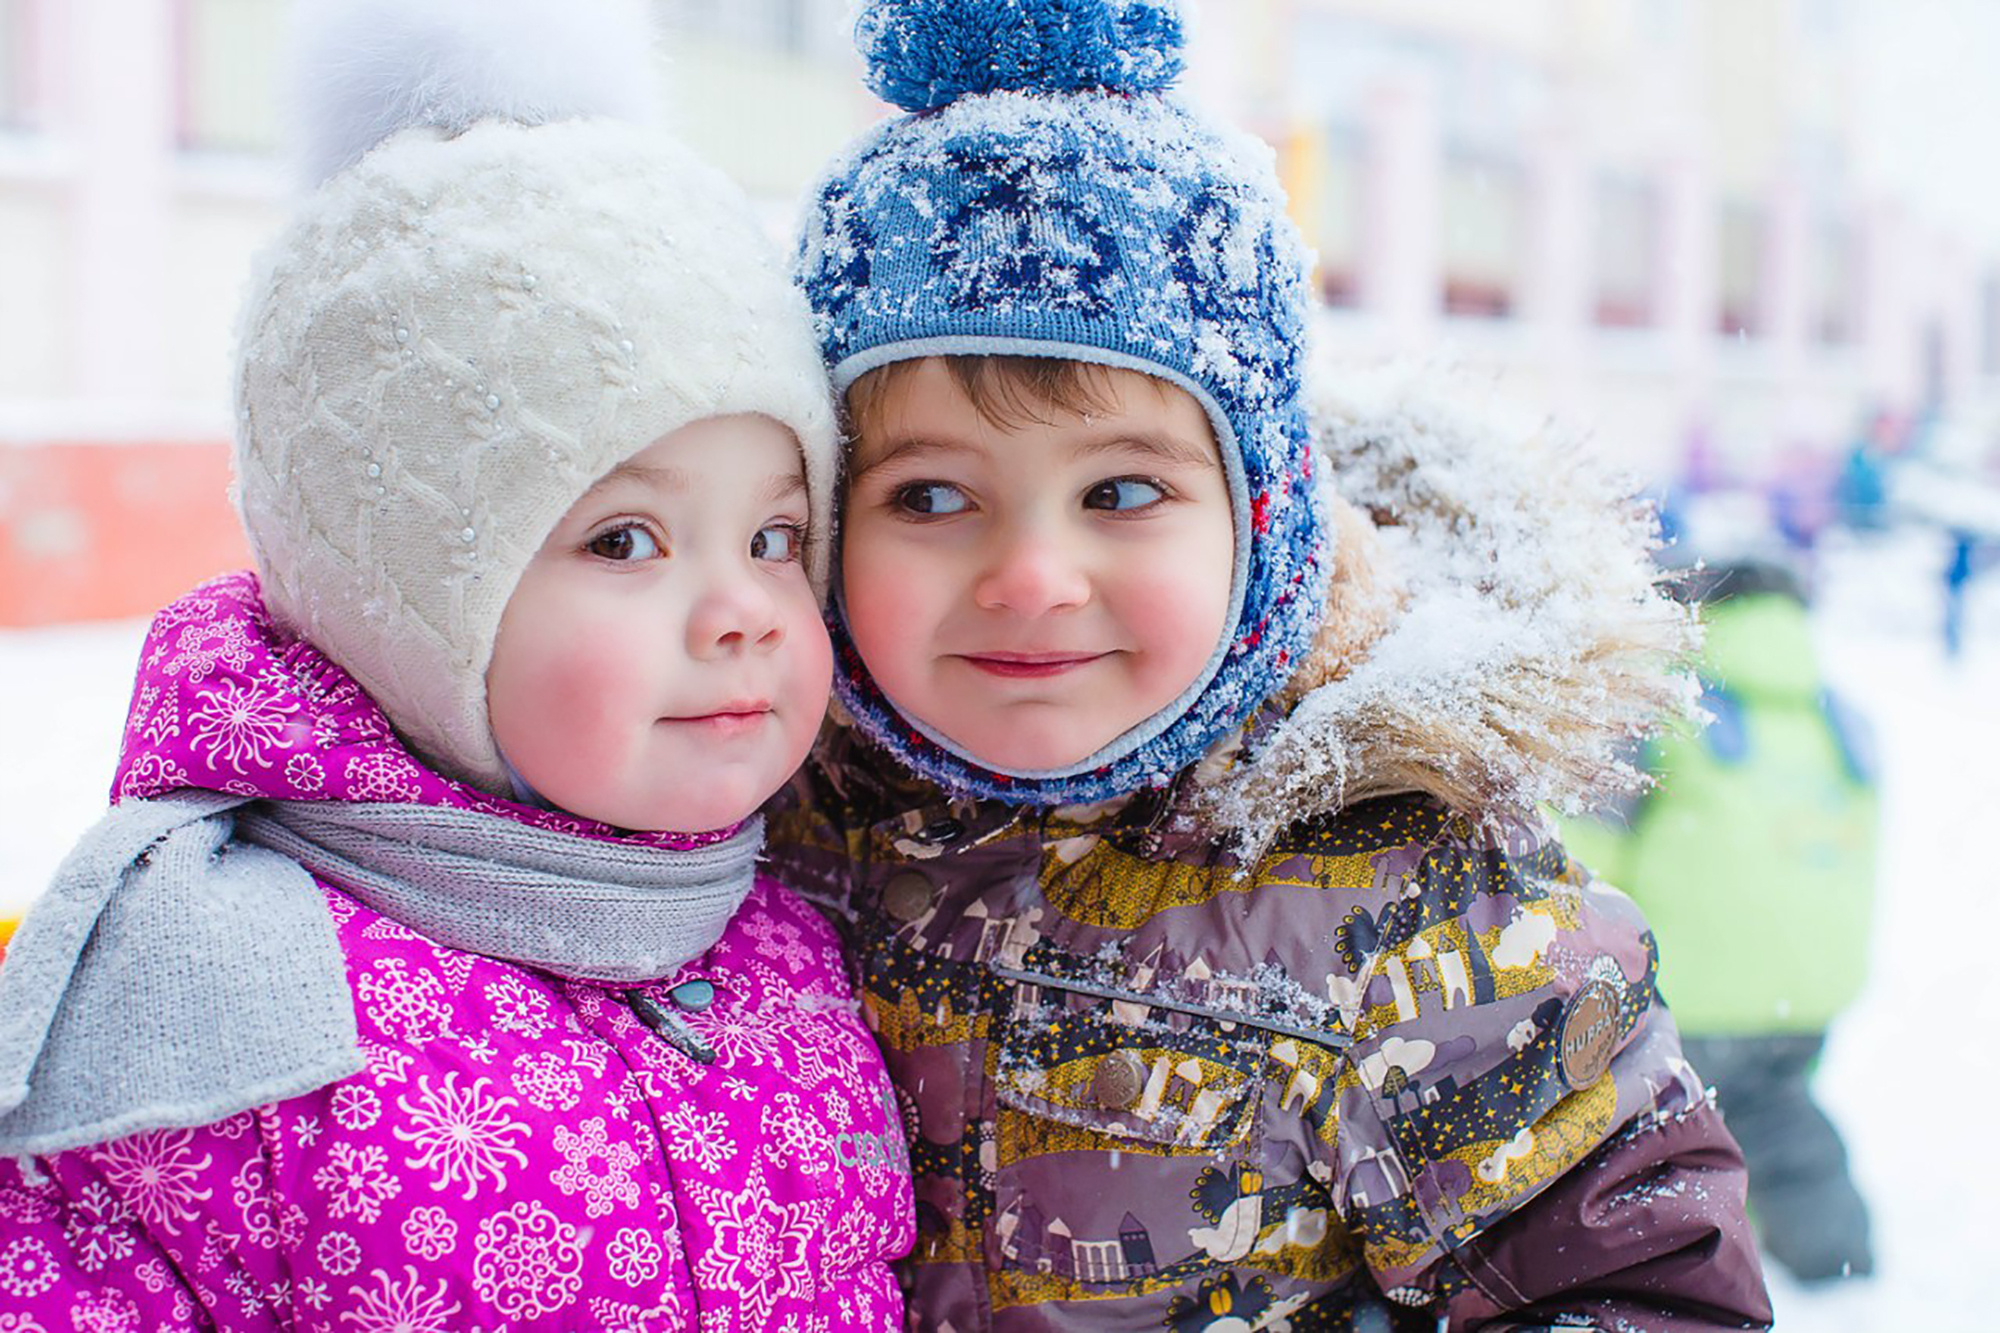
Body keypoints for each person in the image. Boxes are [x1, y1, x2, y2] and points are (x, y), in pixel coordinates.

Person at [767, 1, 1775, 1327]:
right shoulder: (761, 828)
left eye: (1122, 493)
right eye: (932, 500)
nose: (1029, 574)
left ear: (1266, 522)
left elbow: (1638, 1279)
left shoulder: (1406, 900)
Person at [0, 1, 912, 1326]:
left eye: (776, 534)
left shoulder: (792, 923)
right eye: (623, 538)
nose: (743, 611)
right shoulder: (220, 995)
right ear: (404, 599)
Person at [1565, 561, 1879, 1286]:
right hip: (1809, 987)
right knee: (1775, 1108)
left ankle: (1675, 1280)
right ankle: (1837, 1256)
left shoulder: (1669, 709)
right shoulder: (1837, 720)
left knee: (1663, 1142)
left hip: (1700, 987)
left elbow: (1590, 849)